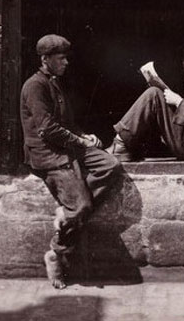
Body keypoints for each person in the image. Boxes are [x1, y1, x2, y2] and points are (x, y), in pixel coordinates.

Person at [20, 34, 121, 289]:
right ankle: (56, 253)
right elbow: (48, 129)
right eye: (60, 58)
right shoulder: (35, 86)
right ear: (45, 60)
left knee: (111, 165)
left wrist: (82, 134)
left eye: (66, 57)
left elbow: (65, 122)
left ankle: (67, 210)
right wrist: (80, 142)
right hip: (49, 155)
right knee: (83, 208)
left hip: (68, 148)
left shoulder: (56, 83)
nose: (66, 62)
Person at [106, 47, 184, 161]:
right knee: (156, 96)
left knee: (154, 94)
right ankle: (126, 146)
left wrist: (179, 102)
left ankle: (120, 144)